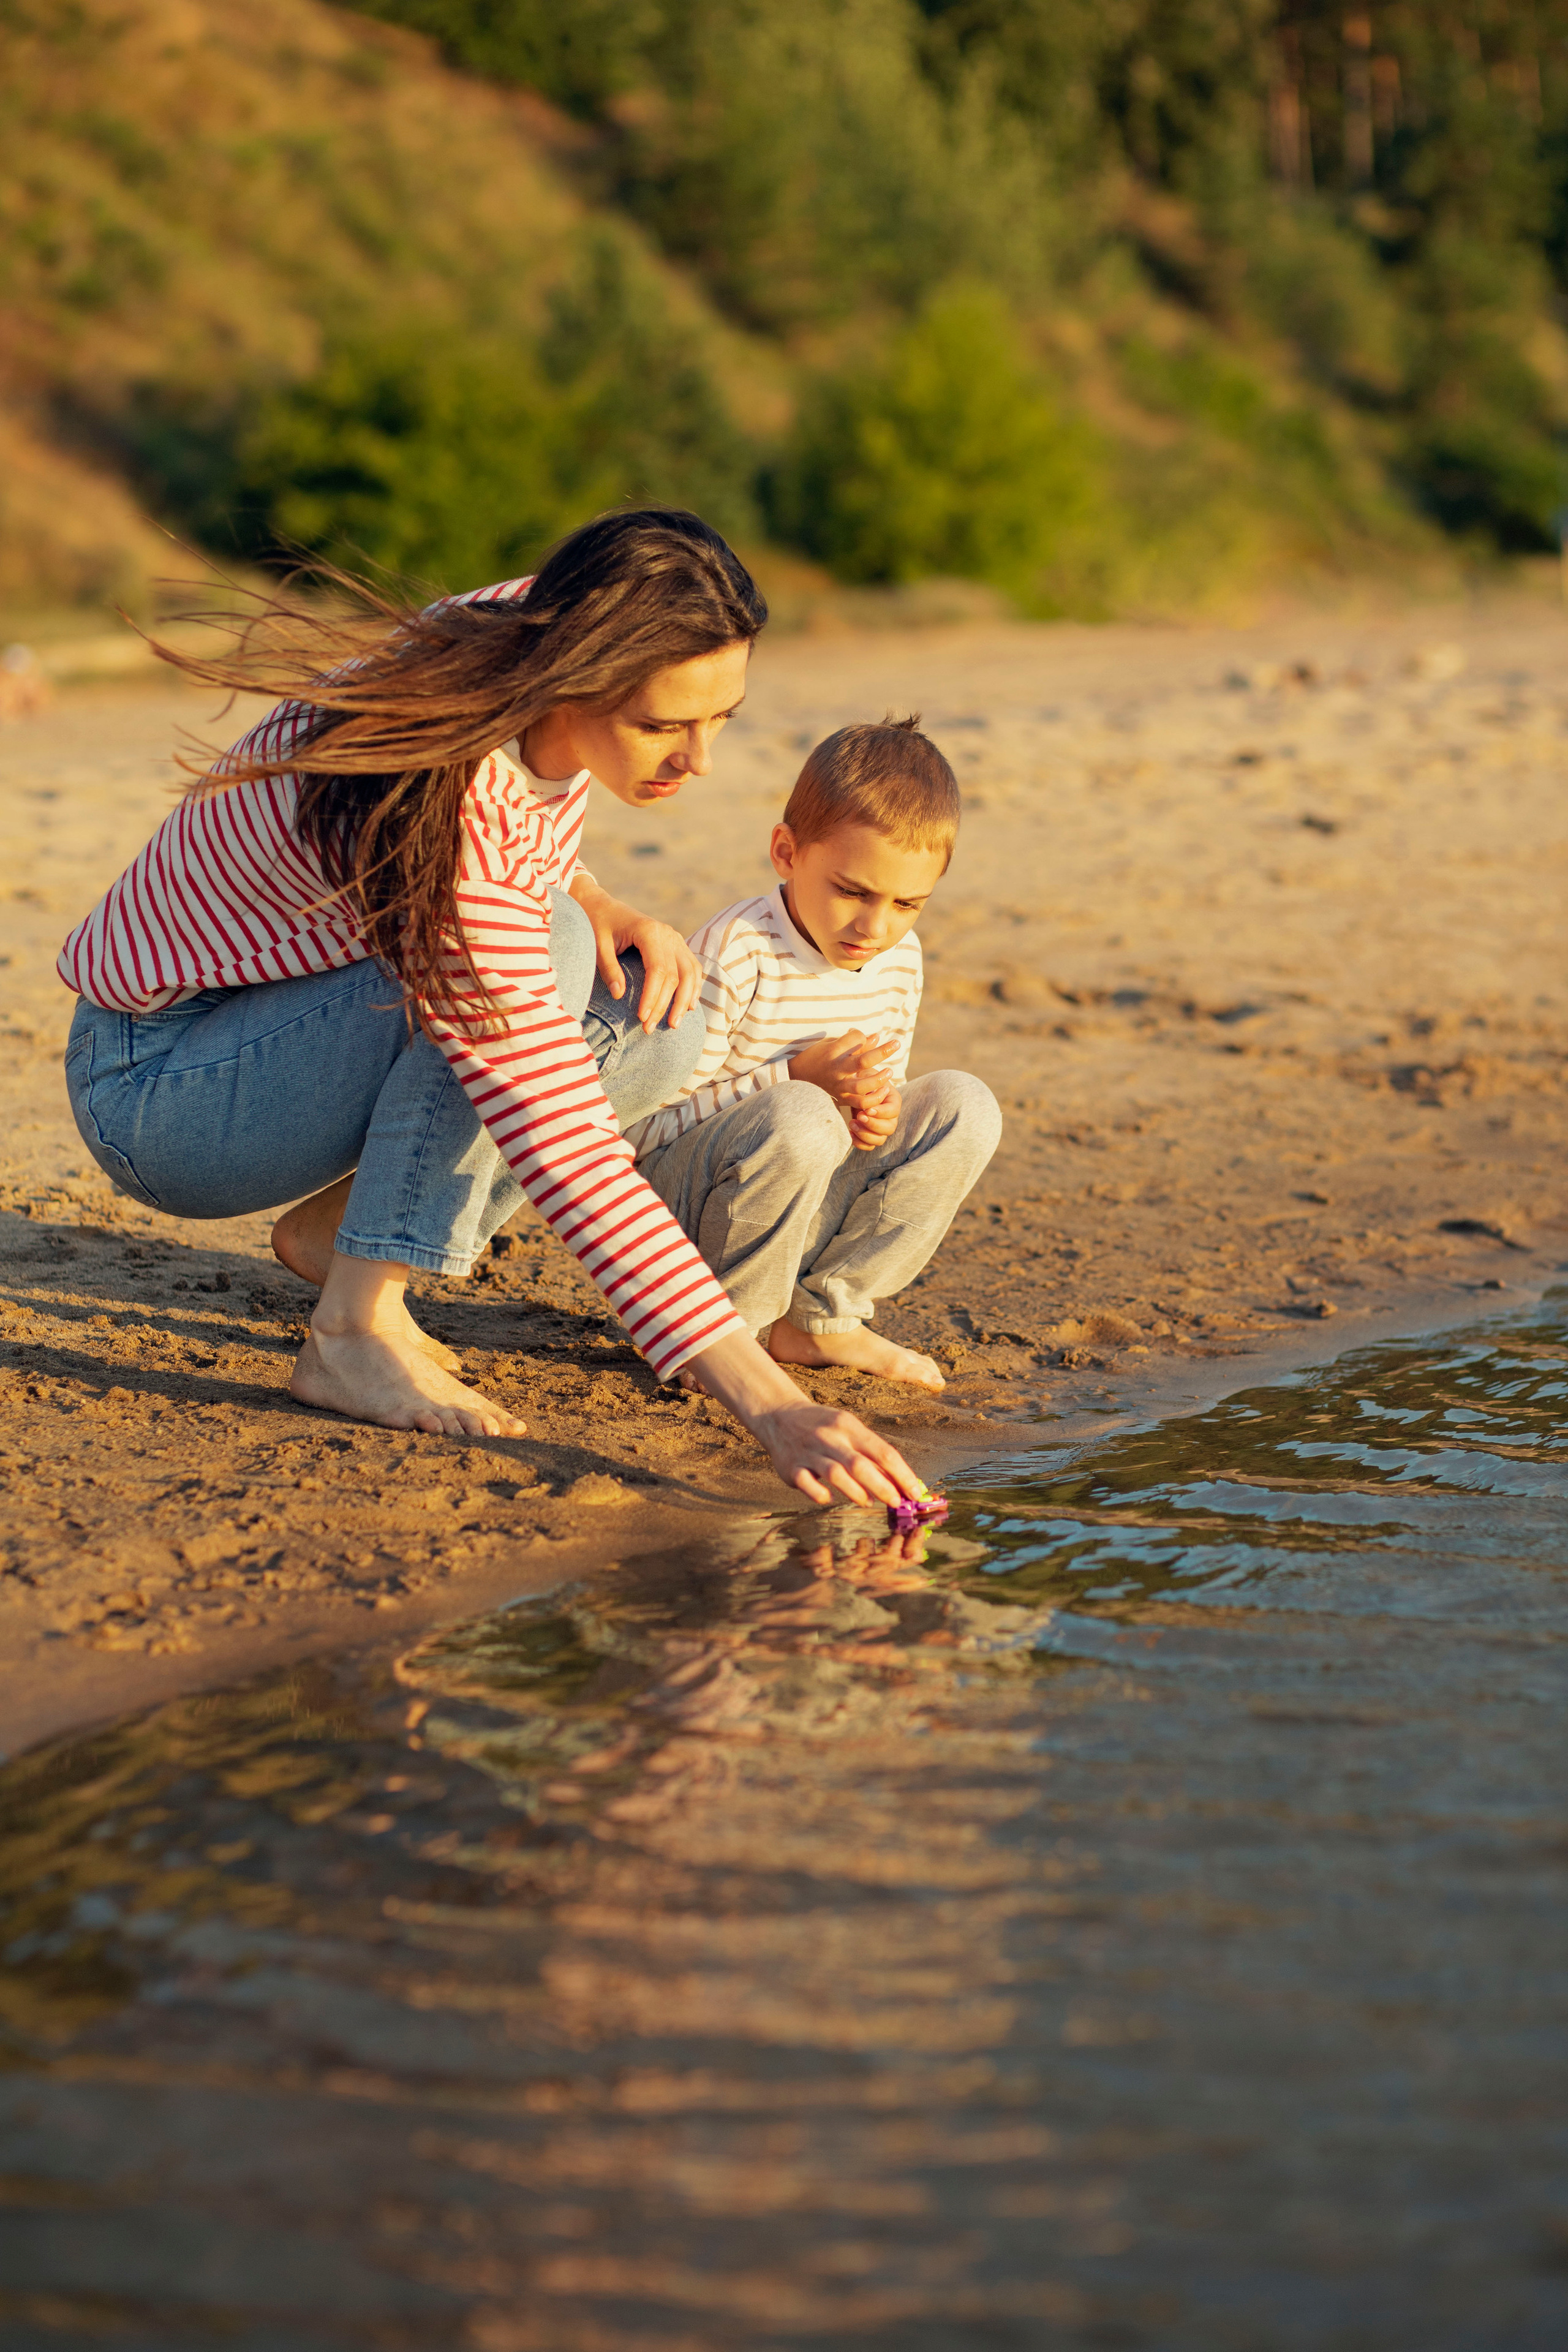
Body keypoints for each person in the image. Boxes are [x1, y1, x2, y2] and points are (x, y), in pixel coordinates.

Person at [56, 510, 922, 1510]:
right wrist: (770, 1408)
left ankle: (343, 1242)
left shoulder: (529, 617)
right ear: (569, 673)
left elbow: (521, 821)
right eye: (661, 726)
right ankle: (352, 1333)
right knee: (547, 955)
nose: (701, 760)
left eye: (720, 717)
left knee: (658, 1008)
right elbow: (565, 1145)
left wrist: (593, 894)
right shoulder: (452, 809)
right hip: (162, 1090)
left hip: (279, 1025)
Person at [628, 715, 1001, 1392]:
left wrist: (876, 1113)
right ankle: (725, 1339)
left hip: (804, 1192)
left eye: (906, 903)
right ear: (786, 852)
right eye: (852, 892)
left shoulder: (898, 955)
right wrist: (792, 1077)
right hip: (695, 1212)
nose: (874, 926)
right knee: (801, 1114)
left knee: (964, 1104)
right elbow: (645, 1128)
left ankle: (819, 1320)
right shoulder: (737, 950)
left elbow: (880, 1093)